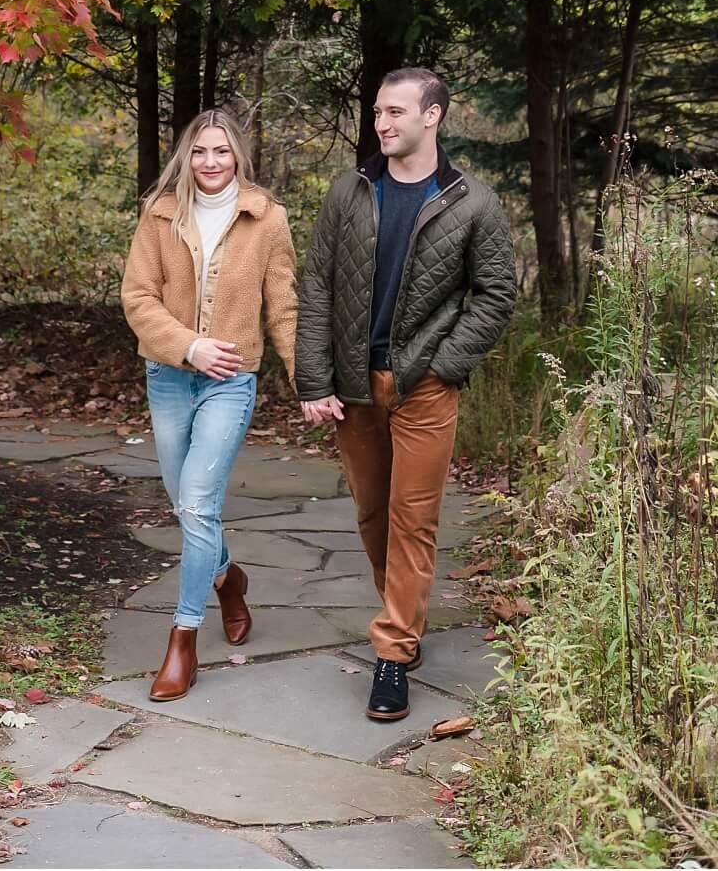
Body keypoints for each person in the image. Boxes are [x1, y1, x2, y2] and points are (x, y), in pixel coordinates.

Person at [297, 67, 518, 722]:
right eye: (377, 113)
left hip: (423, 386)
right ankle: (404, 621)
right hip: (354, 385)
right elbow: (317, 287)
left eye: (395, 111)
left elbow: (497, 293)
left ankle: (393, 655)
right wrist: (314, 380)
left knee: (411, 521)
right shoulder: (349, 192)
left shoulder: (472, 201)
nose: (382, 123)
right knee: (371, 515)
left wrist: (446, 365)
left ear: (433, 116)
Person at [120, 106, 299, 702]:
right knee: (186, 505)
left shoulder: (266, 219)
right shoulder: (161, 212)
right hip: (169, 377)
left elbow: (284, 307)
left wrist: (309, 382)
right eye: (200, 151)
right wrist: (189, 346)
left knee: (197, 503)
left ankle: (183, 639)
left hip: (230, 383)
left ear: (237, 156)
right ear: (186, 157)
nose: (210, 162)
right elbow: (138, 297)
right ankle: (228, 577)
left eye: (221, 152)